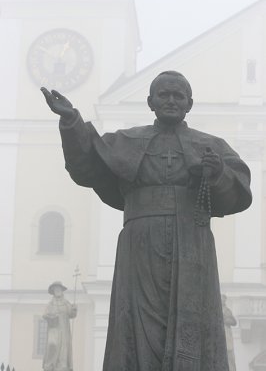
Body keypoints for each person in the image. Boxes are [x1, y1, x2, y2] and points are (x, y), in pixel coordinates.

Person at [41, 71, 252, 371]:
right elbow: (87, 164)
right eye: (163, 94)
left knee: (192, 321)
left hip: (192, 243)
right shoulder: (125, 140)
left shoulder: (211, 146)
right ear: (150, 101)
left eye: (178, 96)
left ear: (189, 103)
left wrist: (217, 172)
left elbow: (238, 191)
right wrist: (71, 121)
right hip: (139, 246)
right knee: (135, 327)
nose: (170, 100)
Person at [43, 281, 77, 371]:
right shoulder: (50, 303)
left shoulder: (66, 303)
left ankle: (62, 366)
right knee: (52, 343)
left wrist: (74, 309)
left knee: (63, 349)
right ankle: (50, 365)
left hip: (64, 329)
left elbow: (71, 314)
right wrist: (51, 317)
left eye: (59, 289)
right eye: (55, 289)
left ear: (62, 290)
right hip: (54, 329)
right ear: (53, 291)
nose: (57, 290)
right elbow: (45, 314)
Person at [222, 294, 237, 371]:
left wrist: (225, 320)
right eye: (222, 299)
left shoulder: (227, 310)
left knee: (229, 353)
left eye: (224, 299)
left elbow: (234, 322)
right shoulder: (214, 309)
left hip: (226, 333)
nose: (223, 300)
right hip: (220, 335)